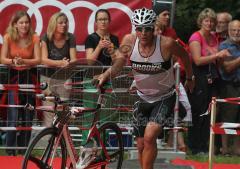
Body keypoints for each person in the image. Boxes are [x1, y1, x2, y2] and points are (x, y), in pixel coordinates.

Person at [96, 8, 194, 169]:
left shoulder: (166, 44)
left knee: (149, 137)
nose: (143, 33)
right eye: (139, 28)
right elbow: (119, 61)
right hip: (141, 97)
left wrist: (190, 77)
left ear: (153, 28)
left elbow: (185, 56)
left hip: (164, 97)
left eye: (147, 28)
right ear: (135, 28)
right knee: (141, 144)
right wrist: (106, 74)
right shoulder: (129, 40)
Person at [188, 8, 230, 155]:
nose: (209, 23)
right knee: (198, 112)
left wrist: (221, 58)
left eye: (212, 20)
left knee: (210, 113)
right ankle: (194, 146)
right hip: (199, 77)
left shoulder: (214, 37)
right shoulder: (195, 37)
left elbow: (216, 59)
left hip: (212, 77)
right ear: (201, 21)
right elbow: (197, 60)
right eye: (206, 20)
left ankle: (204, 146)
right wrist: (217, 55)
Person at [0, 10, 41, 155]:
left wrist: (23, 61)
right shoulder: (8, 37)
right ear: (15, 24)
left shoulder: (35, 37)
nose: (24, 25)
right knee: (13, 114)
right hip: (13, 79)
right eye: (21, 22)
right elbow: (2, 59)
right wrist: (13, 61)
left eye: (26, 22)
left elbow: (38, 60)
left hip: (30, 79)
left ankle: (24, 150)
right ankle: (10, 151)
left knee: (28, 116)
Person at [153, 3, 192, 152]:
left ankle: (173, 142)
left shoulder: (171, 32)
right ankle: (176, 143)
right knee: (163, 110)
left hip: (172, 77)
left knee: (183, 107)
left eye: (169, 14)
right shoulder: (148, 34)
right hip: (156, 80)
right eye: (165, 14)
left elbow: (176, 58)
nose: (168, 17)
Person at [41, 12, 77, 127]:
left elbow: (74, 59)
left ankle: (64, 142)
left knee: (63, 111)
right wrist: (60, 63)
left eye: (65, 22)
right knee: (49, 111)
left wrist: (68, 63)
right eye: (60, 22)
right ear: (53, 24)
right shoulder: (45, 37)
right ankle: (48, 142)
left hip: (65, 79)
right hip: (47, 78)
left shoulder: (70, 37)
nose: (64, 25)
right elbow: (43, 60)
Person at [218, 20, 240, 156]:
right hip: (230, 85)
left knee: (239, 119)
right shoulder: (224, 46)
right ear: (229, 31)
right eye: (234, 30)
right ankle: (225, 148)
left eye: (239, 30)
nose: (237, 33)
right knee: (228, 119)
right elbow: (227, 68)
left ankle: (237, 149)